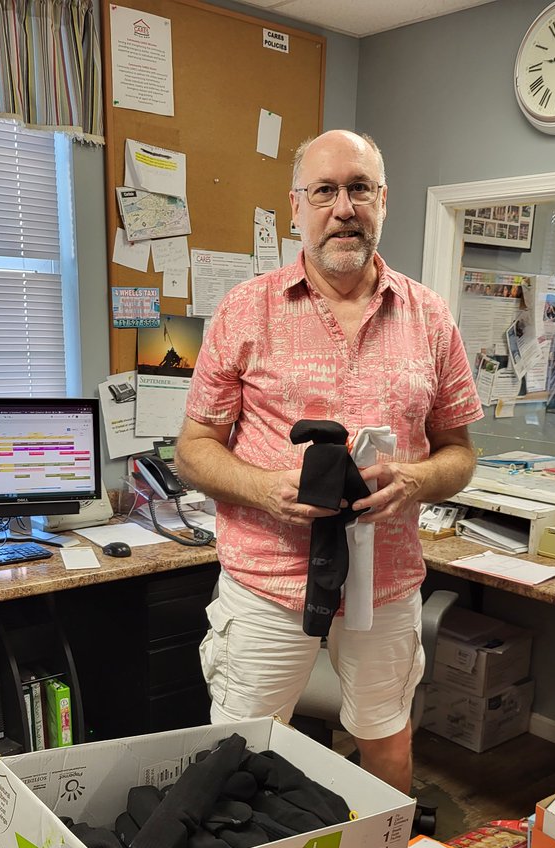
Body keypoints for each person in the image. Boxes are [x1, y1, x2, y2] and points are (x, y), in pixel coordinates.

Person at [175, 129, 482, 794]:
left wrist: (419, 477)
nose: (344, 207)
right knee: (236, 762)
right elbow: (193, 451)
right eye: (325, 191)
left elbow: (460, 453)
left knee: (389, 744)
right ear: (295, 207)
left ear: (382, 201)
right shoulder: (244, 309)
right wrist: (263, 488)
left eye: (359, 189)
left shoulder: (430, 317)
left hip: (387, 583)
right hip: (268, 584)